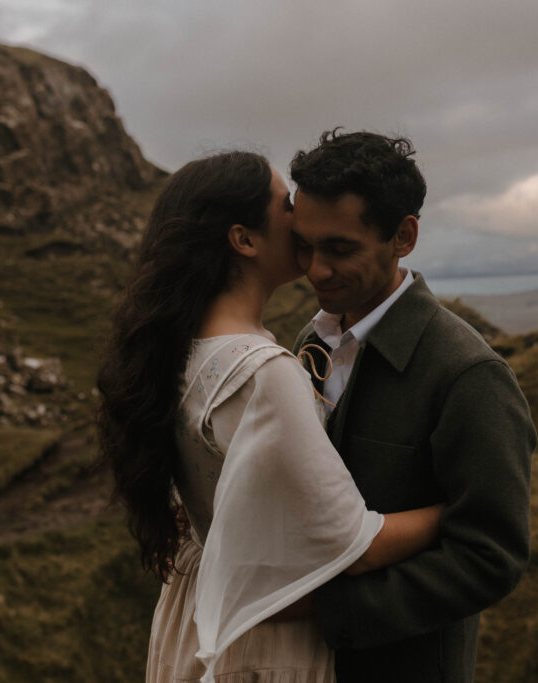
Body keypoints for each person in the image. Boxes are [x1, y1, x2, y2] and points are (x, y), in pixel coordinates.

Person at [96, 151, 444, 683]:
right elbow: (353, 544)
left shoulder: (176, 348)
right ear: (244, 239)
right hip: (259, 635)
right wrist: (456, 510)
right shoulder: (263, 372)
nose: (301, 217)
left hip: (196, 613)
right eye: (286, 205)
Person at [290, 130, 536, 683]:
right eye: (304, 245)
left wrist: (324, 611)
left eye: (340, 248)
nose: (315, 270)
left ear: (404, 236)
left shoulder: (469, 376)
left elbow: (490, 556)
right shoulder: (309, 340)